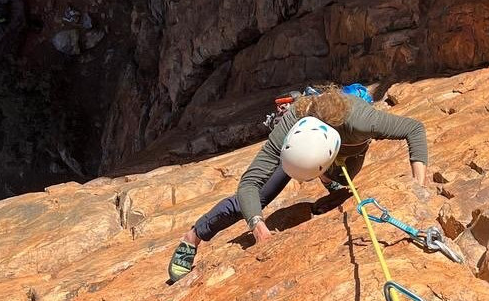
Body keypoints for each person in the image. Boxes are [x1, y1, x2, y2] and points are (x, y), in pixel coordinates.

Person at [167, 84, 428, 283]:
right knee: (256, 199)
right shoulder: (290, 126)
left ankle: (328, 177)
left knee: (343, 178)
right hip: (308, 147)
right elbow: (249, 183)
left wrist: (419, 189)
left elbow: (414, 129)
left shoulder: (362, 122)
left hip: (347, 145)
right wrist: (258, 227)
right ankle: (192, 237)